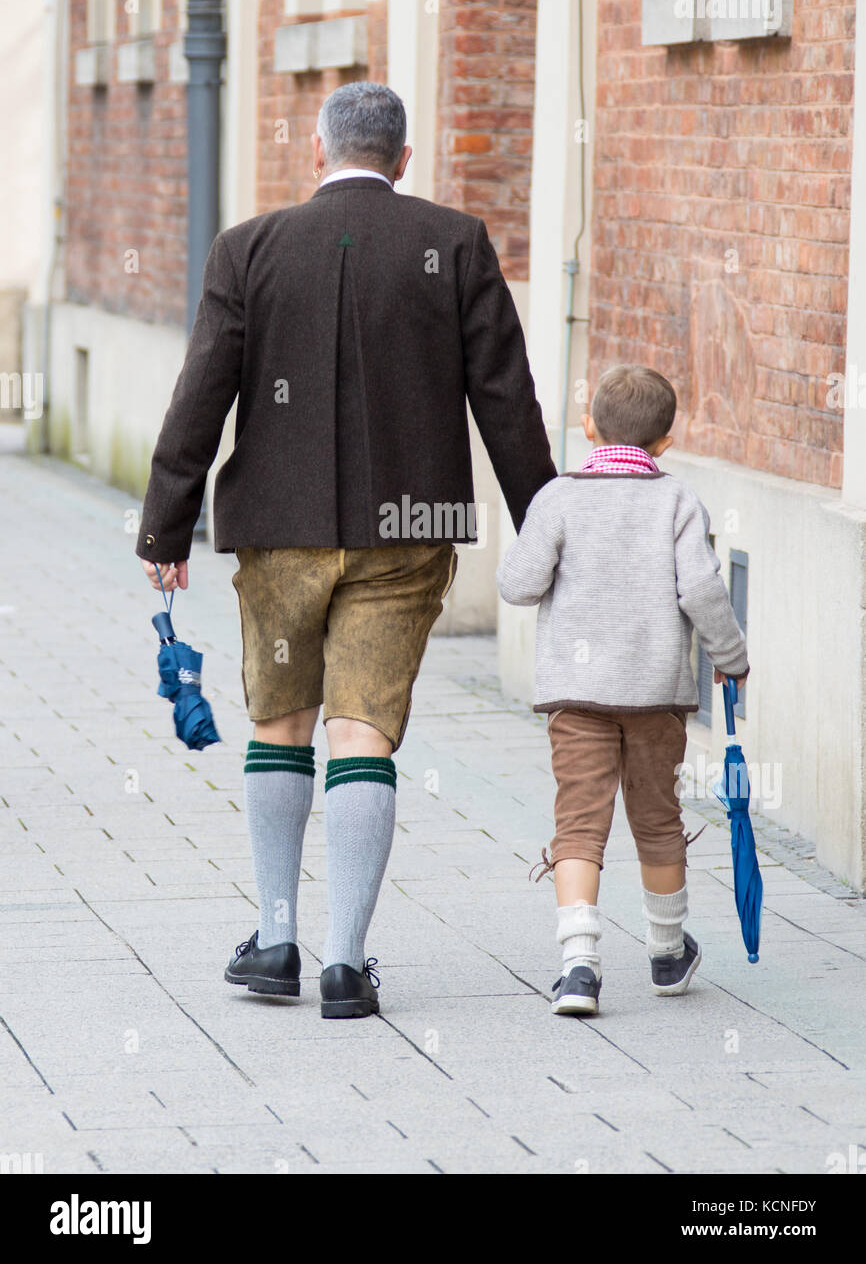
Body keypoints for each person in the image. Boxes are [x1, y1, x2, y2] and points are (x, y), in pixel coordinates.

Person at [137, 82, 556, 1019]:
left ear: (317, 152)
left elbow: (200, 390)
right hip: (404, 536)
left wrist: (166, 525)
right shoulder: (454, 242)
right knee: (362, 730)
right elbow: (505, 397)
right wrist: (548, 522)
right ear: (404, 159)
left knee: (281, 721)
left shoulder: (247, 247)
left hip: (278, 531)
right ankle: (343, 961)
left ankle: (276, 939)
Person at [497, 364, 749, 1016]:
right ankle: (667, 953)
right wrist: (731, 656)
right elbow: (700, 589)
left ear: (588, 427)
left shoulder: (558, 498)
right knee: (657, 819)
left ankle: (579, 967)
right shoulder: (678, 501)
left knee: (579, 822)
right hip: (654, 698)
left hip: (577, 697)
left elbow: (519, 585)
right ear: (666, 441)